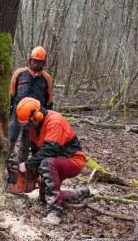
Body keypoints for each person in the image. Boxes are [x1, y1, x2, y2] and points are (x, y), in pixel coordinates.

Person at [16, 97, 90, 226]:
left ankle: (55, 212)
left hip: (73, 161)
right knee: (45, 197)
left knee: (46, 163)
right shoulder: (34, 129)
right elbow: (36, 153)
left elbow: (50, 151)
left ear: (37, 116)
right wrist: (34, 171)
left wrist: (27, 165)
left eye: (28, 123)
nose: (27, 127)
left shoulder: (54, 121)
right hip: (55, 161)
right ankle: (78, 193)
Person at [9, 46, 54, 163]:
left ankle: (20, 166)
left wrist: (48, 118)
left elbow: (49, 100)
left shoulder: (46, 78)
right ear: (29, 60)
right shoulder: (19, 73)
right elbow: (11, 94)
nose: (36, 64)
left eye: (39, 62)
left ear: (43, 63)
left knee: (26, 143)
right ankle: (3, 163)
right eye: (34, 61)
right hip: (17, 111)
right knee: (10, 138)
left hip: (35, 115)